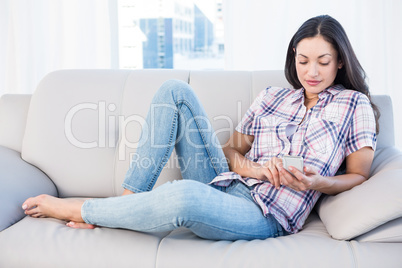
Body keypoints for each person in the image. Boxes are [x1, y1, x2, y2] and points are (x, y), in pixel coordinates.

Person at [21, 15, 379, 241]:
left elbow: (359, 176)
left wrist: (317, 182)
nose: (311, 72)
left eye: (322, 62)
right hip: (227, 181)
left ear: (340, 61)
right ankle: (126, 208)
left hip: (266, 213)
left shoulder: (354, 105)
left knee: (183, 196)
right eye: (303, 61)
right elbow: (229, 151)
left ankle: (79, 209)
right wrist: (254, 168)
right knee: (174, 91)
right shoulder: (273, 97)